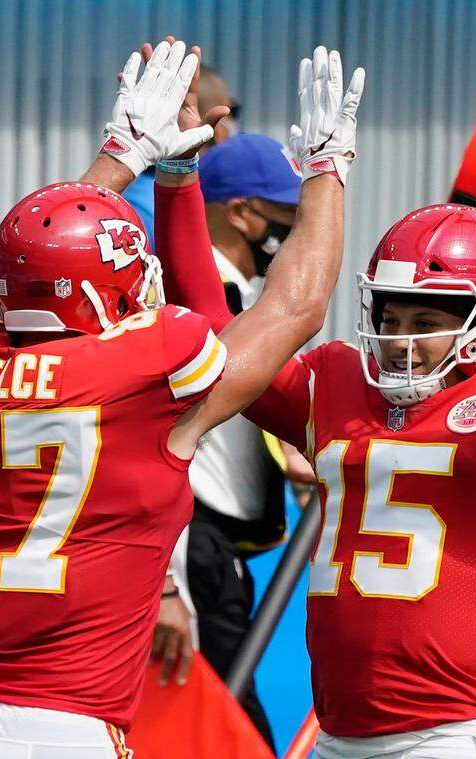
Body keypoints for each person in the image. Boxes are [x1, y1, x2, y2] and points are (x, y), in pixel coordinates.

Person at [0, 39, 364, 758]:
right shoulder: (142, 379)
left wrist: (123, 154)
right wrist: (326, 171)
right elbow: (296, 304)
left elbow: (32, 264)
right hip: (66, 726)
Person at [158, 62, 476, 758]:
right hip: (336, 738)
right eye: (391, 312)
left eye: (427, 317)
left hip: (450, 737)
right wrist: (175, 175)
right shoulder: (340, 384)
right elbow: (214, 330)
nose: (400, 334)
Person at [154, 131, 320, 750]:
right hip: (191, 542)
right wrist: (166, 580)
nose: (296, 230)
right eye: (287, 214)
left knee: (219, 719)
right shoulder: (183, 301)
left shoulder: (253, 298)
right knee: (227, 728)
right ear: (242, 213)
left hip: (221, 549)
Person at [122, 62, 239, 242]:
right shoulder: (154, 207)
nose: (232, 126)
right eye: (233, 111)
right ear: (215, 123)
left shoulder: (137, 193)